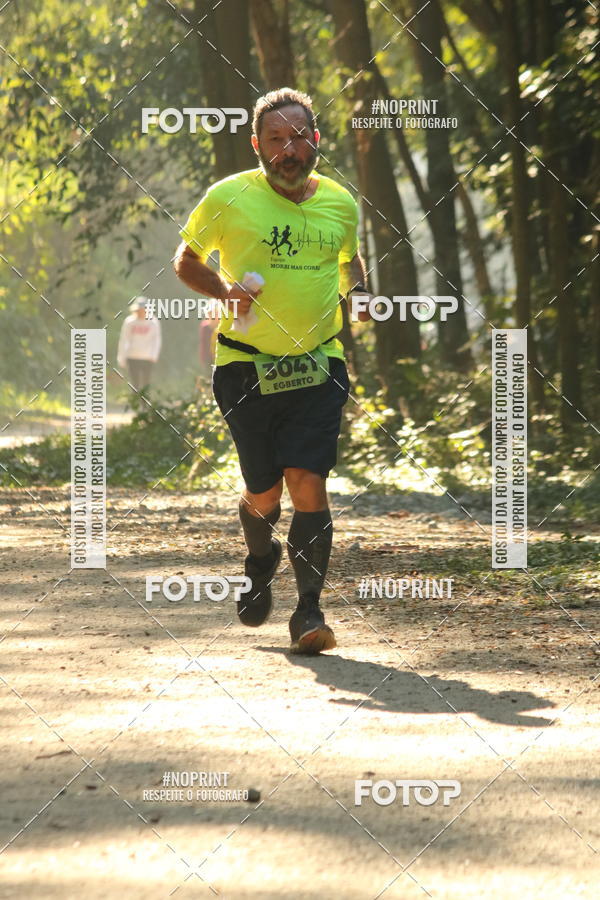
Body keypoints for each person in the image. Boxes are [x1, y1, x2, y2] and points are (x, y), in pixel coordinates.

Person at [174, 87, 370, 654]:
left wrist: (356, 293)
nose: (289, 149)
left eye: (299, 137)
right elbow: (186, 259)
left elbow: (348, 260)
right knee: (264, 494)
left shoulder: (339, 202)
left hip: (318, 362)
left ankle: (308, 613)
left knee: (308, 480)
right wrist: (224, 290)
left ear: (316, 142)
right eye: (277, 139)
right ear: (258, 144)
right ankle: (260, 560)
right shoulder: (228, 197)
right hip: (244, 367)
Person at [117, 297, 161, 393]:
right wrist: (121, 357)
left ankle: (144, 404)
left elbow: (156, 340)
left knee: (146, 383)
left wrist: (154, 355)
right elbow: (124, 339)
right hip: (132, 356)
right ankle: (136, 403)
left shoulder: (153, 322)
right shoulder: (129, 322)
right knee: (134, 383)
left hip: (147, 357)